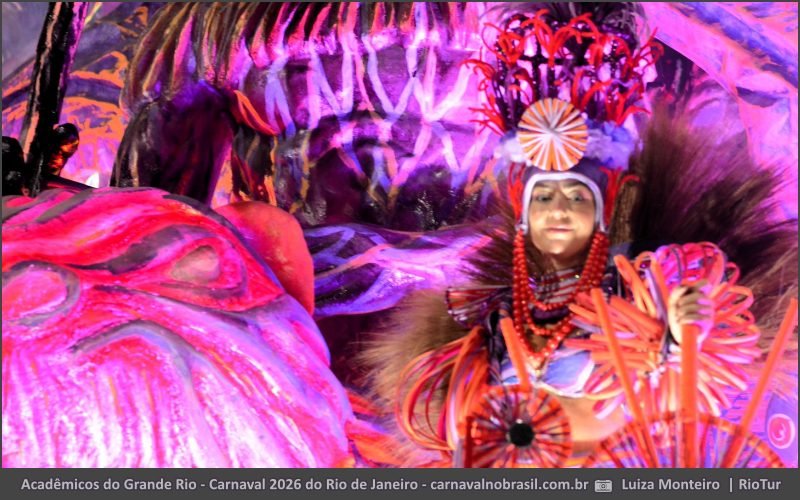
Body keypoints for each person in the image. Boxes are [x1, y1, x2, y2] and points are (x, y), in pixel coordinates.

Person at [360, 4, 795, 468]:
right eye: (543, 199)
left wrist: (686, 329)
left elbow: (685, 367)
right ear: (522, 211)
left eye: (576, 197)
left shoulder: (637, 293)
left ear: (608, 209)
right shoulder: (493, 311)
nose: (559, 212)